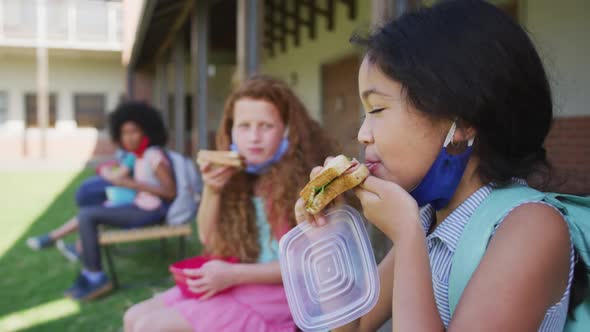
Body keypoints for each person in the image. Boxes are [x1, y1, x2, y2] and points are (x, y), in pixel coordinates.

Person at [295, 1, 588, 331]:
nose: (363, 135)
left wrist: (406, 238)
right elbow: (354, 325)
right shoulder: (429, 220)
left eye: (376, 109)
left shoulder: (531, 227)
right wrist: (329, 235)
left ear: (460, 123)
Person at [123, 75, 336, 332]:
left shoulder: (302, 181)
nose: (254, 137)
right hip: (239, 283)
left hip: (284, 295)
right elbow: (208, 239)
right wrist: (212, 191)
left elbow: (306, 265)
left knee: (151, 327)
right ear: (230, 130)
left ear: (287, 130)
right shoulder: (234, 176)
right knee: (134, 316)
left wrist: (233, 275)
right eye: (244, 126)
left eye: (266, 126)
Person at [66, 101, 176, 301]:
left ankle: (95, 276)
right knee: (90, 208)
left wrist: (132, 184)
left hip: (153, 210)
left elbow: (170, 192)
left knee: (87, 215)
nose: (129, 137)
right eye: (124, 132)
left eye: (134, 131)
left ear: (146, 131)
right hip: (140, 206)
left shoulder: (154, 155)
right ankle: (89, 269)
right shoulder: (138, 156)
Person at [26, 149, 136, 262]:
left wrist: (104, 170)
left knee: (90, 214)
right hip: (127, 195)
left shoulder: (137, 154)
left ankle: (60, 240)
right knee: (91, 210)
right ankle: (74, 246)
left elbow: (117, 176)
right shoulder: (134, 153)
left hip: (134, 199)